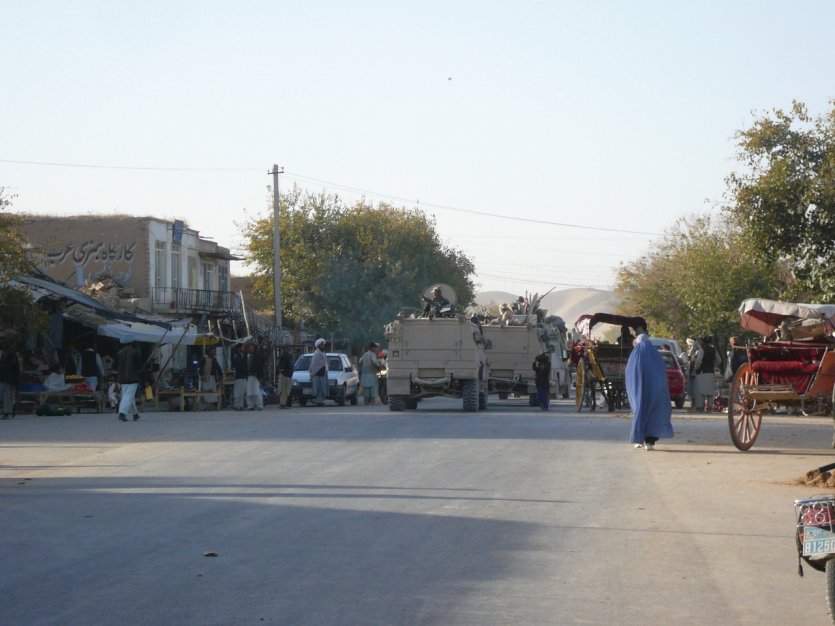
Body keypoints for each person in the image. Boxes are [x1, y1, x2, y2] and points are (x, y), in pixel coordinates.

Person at [626, 333, 673, 450]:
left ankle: (638, 439)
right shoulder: (655, 355)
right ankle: (650, 442)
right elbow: (662, 375)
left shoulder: (635, 354)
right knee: (653, 414)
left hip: (638, 393)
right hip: (654, 392)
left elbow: (630, 375)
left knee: (639, 412)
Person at [116, 338, 142, 421]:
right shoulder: (134, 352)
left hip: (122, 378)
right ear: (132, 343)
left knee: (129, 396)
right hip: (132, 378)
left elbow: (114, 365)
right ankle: (122, 413)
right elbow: (139, 366)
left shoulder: (119, 353)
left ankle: (135, 414)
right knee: (128, 396)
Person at [694, 336, 716, 411]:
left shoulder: (702, 350)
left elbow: (698, 362)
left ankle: (701, 407)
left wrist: (696, 368)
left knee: (701, 391)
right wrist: (713, 365)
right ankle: (710, 407)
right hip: (711, 372)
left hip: (702, 372)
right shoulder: (713, 350)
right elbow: (719, 360)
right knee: (710, 392)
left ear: (702, 342)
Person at [0, 342, 21, 419]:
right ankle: (7, 411)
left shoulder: (12, 356)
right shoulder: (3, 355)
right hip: (2, 378)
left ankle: (7, 412)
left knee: (7, 397)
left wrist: (14, 383)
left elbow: (15, 370)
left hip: (8, 379)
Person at [309, 338, 329, 406]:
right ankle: (319, 402)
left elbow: (325, 362)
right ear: (318, 346)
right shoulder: (317, 353)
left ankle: (321, 401)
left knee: (322, 387)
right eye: (322, 345)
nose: (323, 346)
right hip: (317, 373)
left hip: (322, 373)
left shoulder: (322, 353)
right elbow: (315, 364)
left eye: (324, 345)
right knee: (318, 388)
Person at [245, 342, 264, 410]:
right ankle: (251, 405)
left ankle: (259, 405)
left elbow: (260, 365)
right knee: (249, 391)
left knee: (256, 391)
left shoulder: (257, 354)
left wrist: (258, 374)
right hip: (249, 375)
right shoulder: (249, 355)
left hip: (255, 375)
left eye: (250, 347)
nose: (249, 349)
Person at [231, 343, 248, 410]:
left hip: (242, 376)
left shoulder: (241, 355)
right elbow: (240, 366)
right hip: (239, 376)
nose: (243, 348)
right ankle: (237, 405)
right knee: (238, 392)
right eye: (242, 347)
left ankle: (241, 405)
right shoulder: (236, 356)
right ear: (239, 348)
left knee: (242, 392)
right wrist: (247, 371)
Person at [276, 344, 295, 409]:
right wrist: (282, 371)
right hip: (285, 375)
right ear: (285, 348)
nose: (289, 348)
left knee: (285, 390)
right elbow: (282, 366)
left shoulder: (285, 355)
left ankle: (283, 403)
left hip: (286, 374)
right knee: (284, 390)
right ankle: (283, 404)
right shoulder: (286, 356)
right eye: (288, 347)